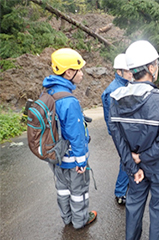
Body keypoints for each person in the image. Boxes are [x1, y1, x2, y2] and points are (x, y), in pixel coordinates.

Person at [108, 40, 159, 240]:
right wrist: (142, 157)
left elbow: (117, 138)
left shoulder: (116, 99)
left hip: (134, 169)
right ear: (151, 68)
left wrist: (132, 164)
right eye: (157, 64)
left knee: (134, 206)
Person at [43, 48, 97, 229]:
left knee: (63, 189)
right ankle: (80, 220)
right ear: (68, 72)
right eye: (79, 69)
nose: (82, 73)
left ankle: (67, 219)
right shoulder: (69, 101)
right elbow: (76, 135)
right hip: (72, 158)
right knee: (79, 191)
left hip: (55, 155)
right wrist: (81, 161)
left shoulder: (48, 92)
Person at [101, 53, 133, 205]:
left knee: (128, 159)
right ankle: (120, 192)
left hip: (126, 131)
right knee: (126, 160)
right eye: (128, 71)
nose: (131, 74)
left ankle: (126, 186)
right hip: (120, 132)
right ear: (119, 72)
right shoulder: (113, 90)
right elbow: (111, 119)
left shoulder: (125, 86)